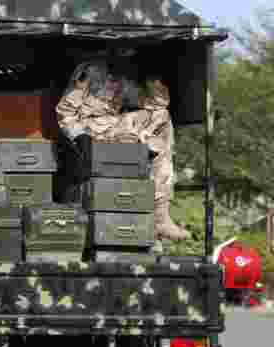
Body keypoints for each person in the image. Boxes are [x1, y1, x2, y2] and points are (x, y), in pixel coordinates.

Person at [56, 57, 189, 241]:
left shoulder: (127, 74)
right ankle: (159, 217)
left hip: (113, 126)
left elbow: (157, 105)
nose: (127, 52)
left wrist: (152, 79)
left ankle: (161, 215)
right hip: (89, 129)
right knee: (154, 139)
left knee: (162, 118)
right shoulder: (91, 70)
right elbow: (66, 111)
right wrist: (79, 136)